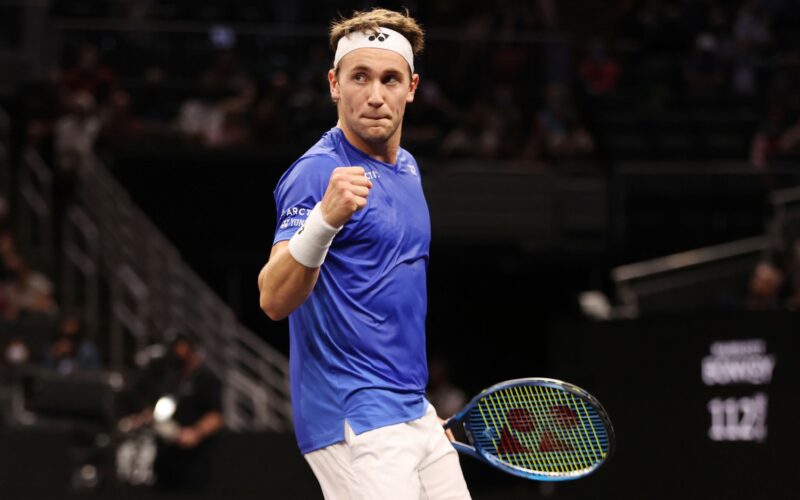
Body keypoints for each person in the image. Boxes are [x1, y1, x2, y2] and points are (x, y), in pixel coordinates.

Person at [257, 8, 471, 500]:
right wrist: (324, 219)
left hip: (413, 411)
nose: (375, 95)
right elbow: (272, 298)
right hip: (352, 414)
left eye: (390, 79)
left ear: (411, 88)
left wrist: (418, 418)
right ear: (334, 84)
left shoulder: (409, 168)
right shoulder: (316, 173)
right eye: (360, 77)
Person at [121, 333, 223, 492]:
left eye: (180, 347)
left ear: (191, 349)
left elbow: (216, 416)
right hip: (166, 456)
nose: (176, 352)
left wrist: (195, 432)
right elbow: (158, 407)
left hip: (194, 460)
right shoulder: (170, 377)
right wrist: (143, 418)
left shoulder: (206, 379)